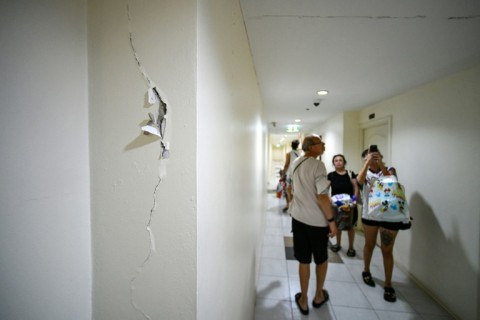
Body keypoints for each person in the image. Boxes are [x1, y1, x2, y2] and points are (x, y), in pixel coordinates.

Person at [289, 135, 337, 315]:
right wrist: (331, 221)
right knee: (321, 258)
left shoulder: (297, 162)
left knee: (303, 259)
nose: (324, 145)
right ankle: (318, 295)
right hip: (317, 222)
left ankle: (303, 299)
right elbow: (322, 196)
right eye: (320, 143)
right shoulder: (318, 165)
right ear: (310, 147)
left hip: (298, 218)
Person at [356, 147, 405, 303]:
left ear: (381, 156)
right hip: (369, 214)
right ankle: (366, 271)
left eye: (376, 156)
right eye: (368, 157)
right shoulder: (364, 171)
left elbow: (392, 182)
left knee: (386, 250)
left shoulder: (389, 169)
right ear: (364, 159)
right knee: (369, 244)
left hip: (389, 216)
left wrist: (381, 164)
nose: (373, 158)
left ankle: (388, 284)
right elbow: (359, 181)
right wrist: (367, 164)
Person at [327, 154, 359, 257]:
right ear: (333, 163)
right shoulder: (331, 175)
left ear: (344, 162)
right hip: (336, 205)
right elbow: (326, 189)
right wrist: (329, 199)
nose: (338, 162)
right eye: (336, 160)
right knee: (338, 225)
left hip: (350, 204)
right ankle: (338, 244)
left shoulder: (350, 174)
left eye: (340, 160)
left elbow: (356, 188)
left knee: (350, 226)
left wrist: (354, 200)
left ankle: (351, 247)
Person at [282, 139, 301, 212]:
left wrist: (283, 173)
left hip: (290, 174)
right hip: (298, 174)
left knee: (288, 190)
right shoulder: (300, 153)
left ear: (291, 145)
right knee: (296, 190)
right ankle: (295, 206)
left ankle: (290, 205)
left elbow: (286, 164)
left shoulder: (289, 153)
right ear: (298, 145)